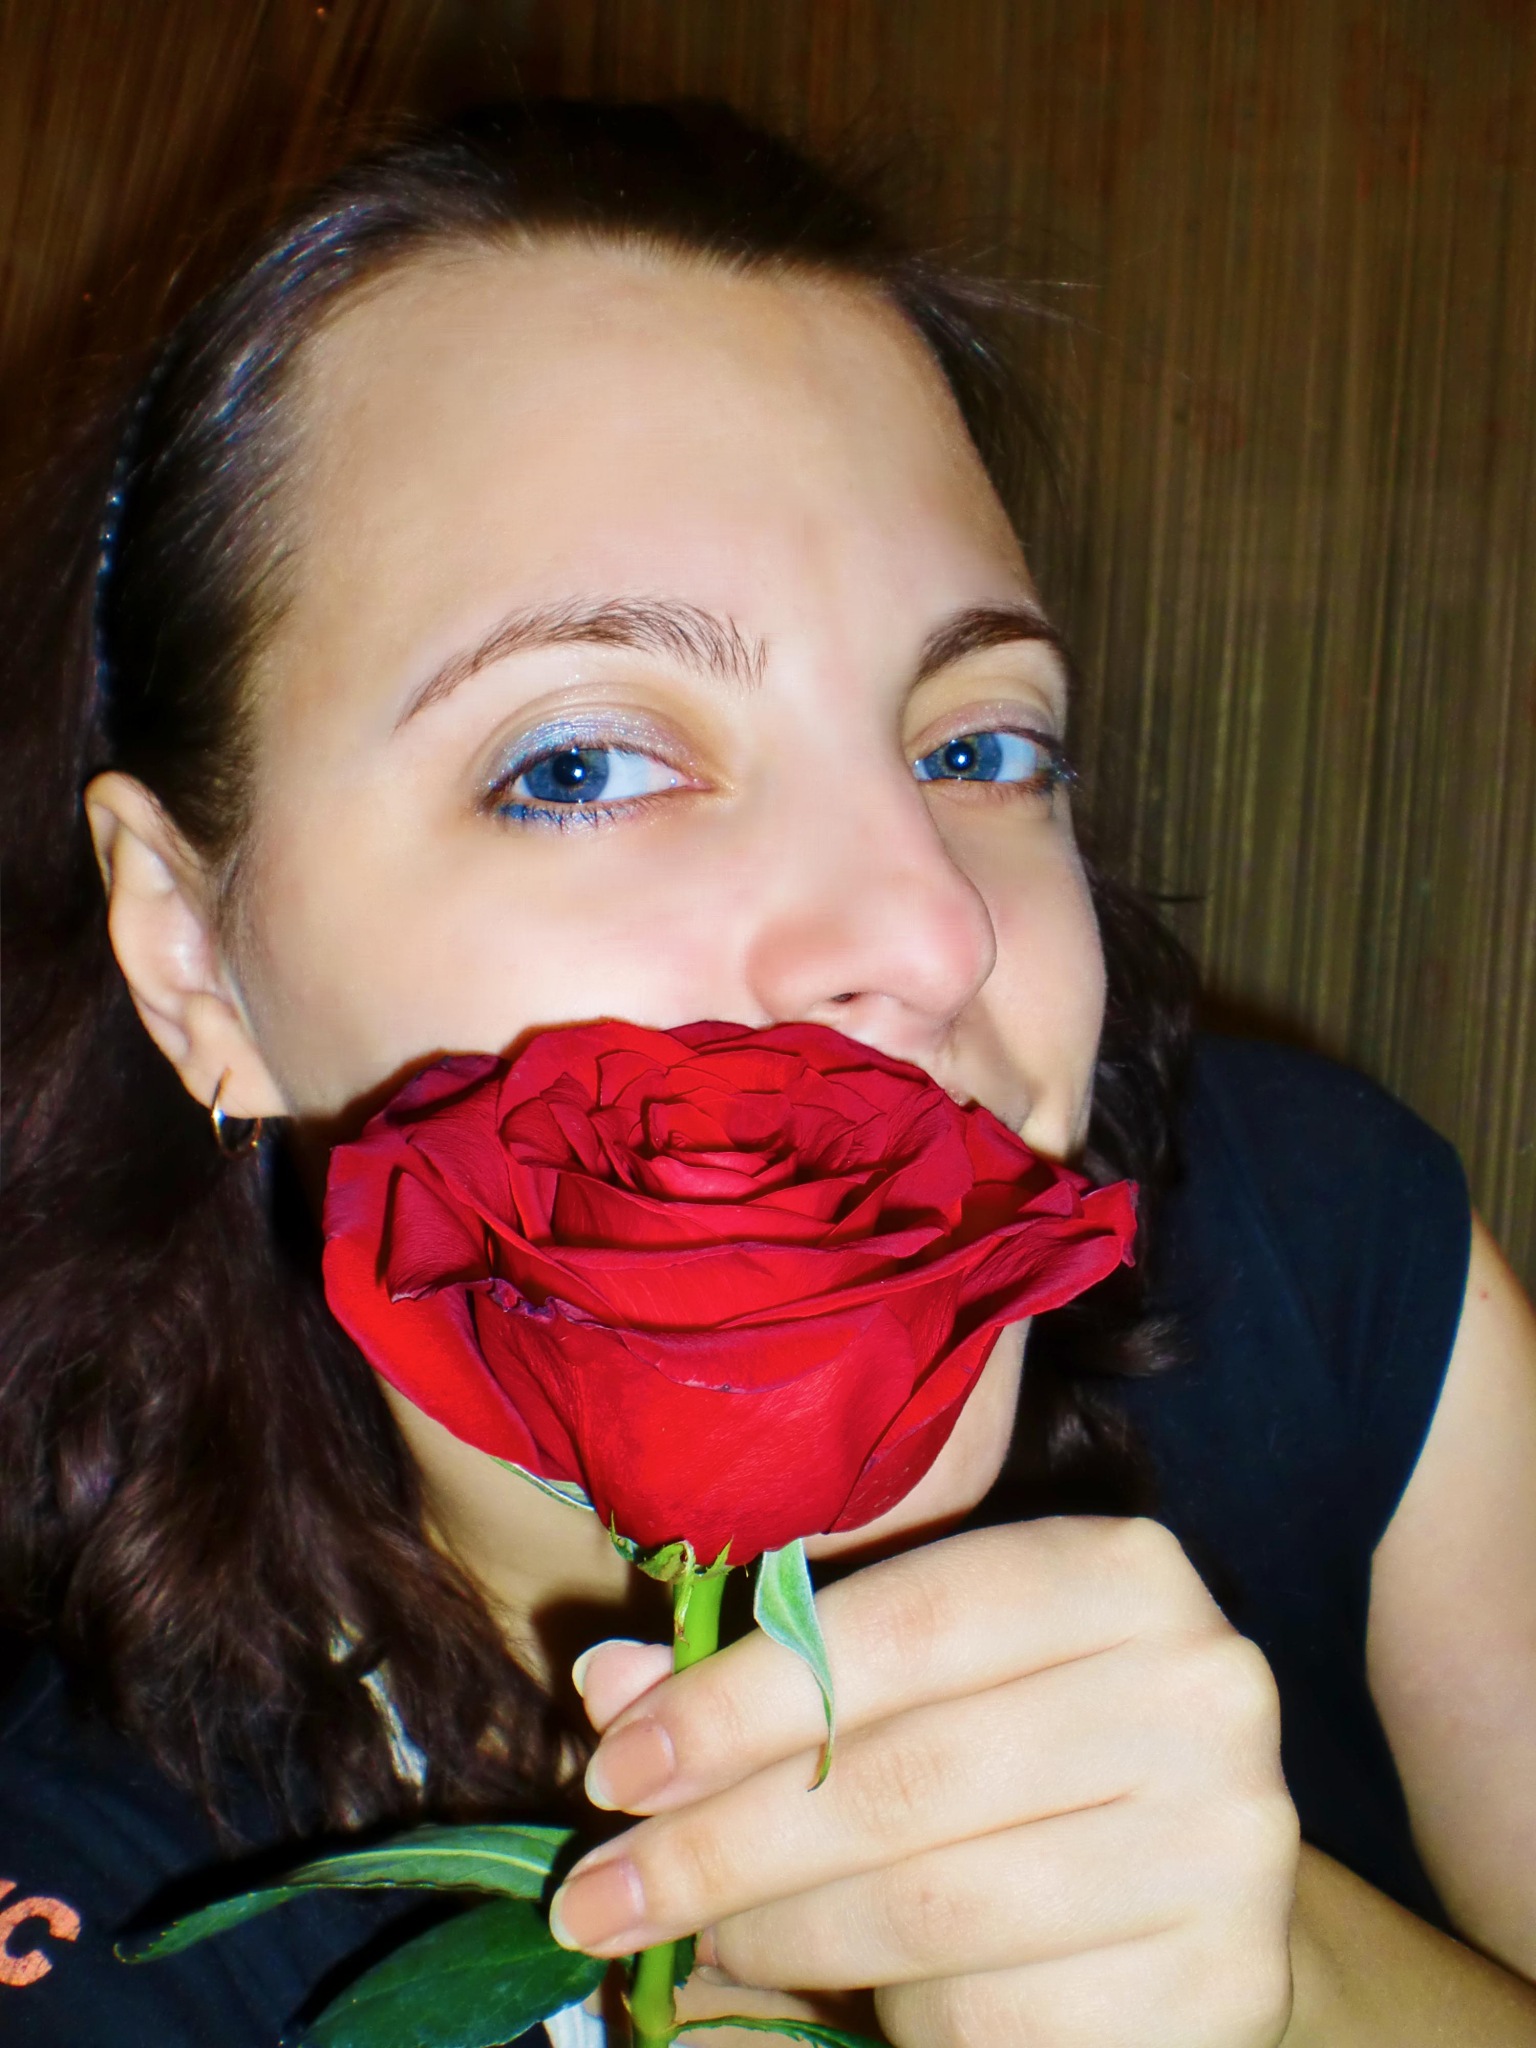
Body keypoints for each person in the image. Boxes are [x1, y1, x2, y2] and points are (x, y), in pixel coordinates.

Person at [1, 98, 1534, 2048]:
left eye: (979, 748)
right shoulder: (100, 1916)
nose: (931, 930)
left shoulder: (1328, 1257)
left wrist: (1314, 1993)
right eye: (581, 764)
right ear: (190, 952)